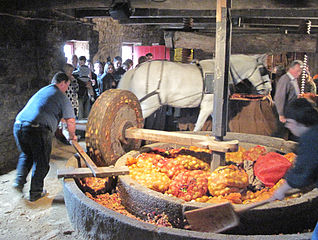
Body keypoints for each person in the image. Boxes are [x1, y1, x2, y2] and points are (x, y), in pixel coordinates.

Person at [12, 72, 77, 201]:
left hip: (19, 125)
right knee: (41, 162)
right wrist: (72, 136)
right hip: (37, 128)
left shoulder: (44, 91)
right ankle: (36, 192)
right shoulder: (61, 96)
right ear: (62, 83)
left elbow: (48, 111)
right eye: (67, 86)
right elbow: (70, 120)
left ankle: (18, 183)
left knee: (27, 154)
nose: (66, 89)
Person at [271, 98, 318, 239]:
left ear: (299, 122)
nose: (287, 127)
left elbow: (302, 172)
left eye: (289, 122)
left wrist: (281, 190)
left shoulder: (311, 139)